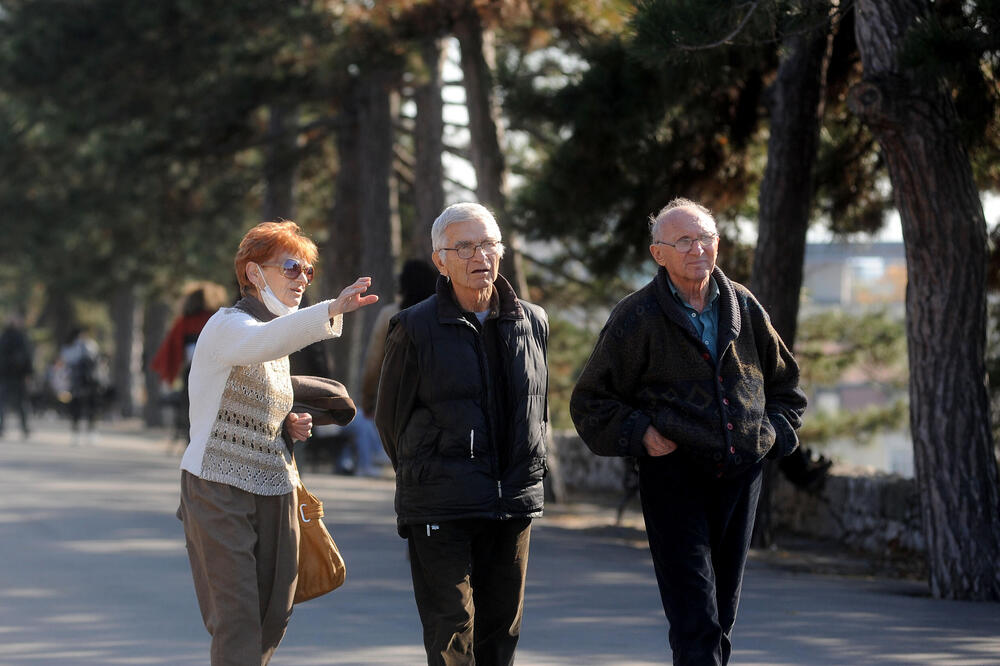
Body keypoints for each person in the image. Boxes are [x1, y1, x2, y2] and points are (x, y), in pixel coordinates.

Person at [570, 198, 807, 666]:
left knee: (723, 613)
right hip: (674, 476)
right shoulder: (636, 316)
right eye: (683, 241)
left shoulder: (743, 305)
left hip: (741, 476)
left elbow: (787, 388)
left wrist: (770, 436)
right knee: (695, 616)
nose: (698, 249)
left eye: (705, 238)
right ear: (658, 254)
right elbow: (590, 401)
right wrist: (642, 433)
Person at [176, 220, 377, 665]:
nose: (302, 279)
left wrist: (288, 422)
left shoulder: (278, 335)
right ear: (253, 273)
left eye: (308, 270)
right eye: (291, 268)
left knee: (274, 616)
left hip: (276, 487)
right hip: (217, 487)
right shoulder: (228, 325)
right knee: (237, 620)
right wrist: (331, 309)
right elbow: (260, 343)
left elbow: (256, 390)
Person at [375, 202, 549, 666]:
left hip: (512, 500)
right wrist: (430, 472)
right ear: (441, 260)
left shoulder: (533, 321)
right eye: (465, 247)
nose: (480, 256)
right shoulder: (413, 327)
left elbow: (537, 409)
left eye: (488, 244)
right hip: (440, 503)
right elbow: (390, 421)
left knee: (501, 632)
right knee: (451, 631)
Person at [353, 259, 438, 476]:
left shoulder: (390, 314)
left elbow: (374, 361)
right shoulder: (442, 314)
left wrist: (368, 399)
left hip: (397, 396)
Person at [150, 282, 227, 446]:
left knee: (192, 414)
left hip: (193, 374)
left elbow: (170, 351)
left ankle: (192, 445)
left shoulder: (184, 322)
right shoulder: (217, 319)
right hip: (217, 374)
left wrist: (169, 375)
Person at [60, 327, 101, 445]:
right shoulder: (70, 347)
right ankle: (76, 432)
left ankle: (91, 431)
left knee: (91, 408)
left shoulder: (91, 345)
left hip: (90, 382)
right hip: (77, 382)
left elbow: (97, 362)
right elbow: (66, 363)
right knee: (76, 408)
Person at [0, 312, 34, 439]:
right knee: (18, 403)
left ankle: (20, 427)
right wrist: (28, 373)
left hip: (9, 375)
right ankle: (23, 428)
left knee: (6, 403)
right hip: (13, 376)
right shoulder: (19, 337)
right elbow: (27, 357)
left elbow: (27, 357)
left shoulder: (5, 337)